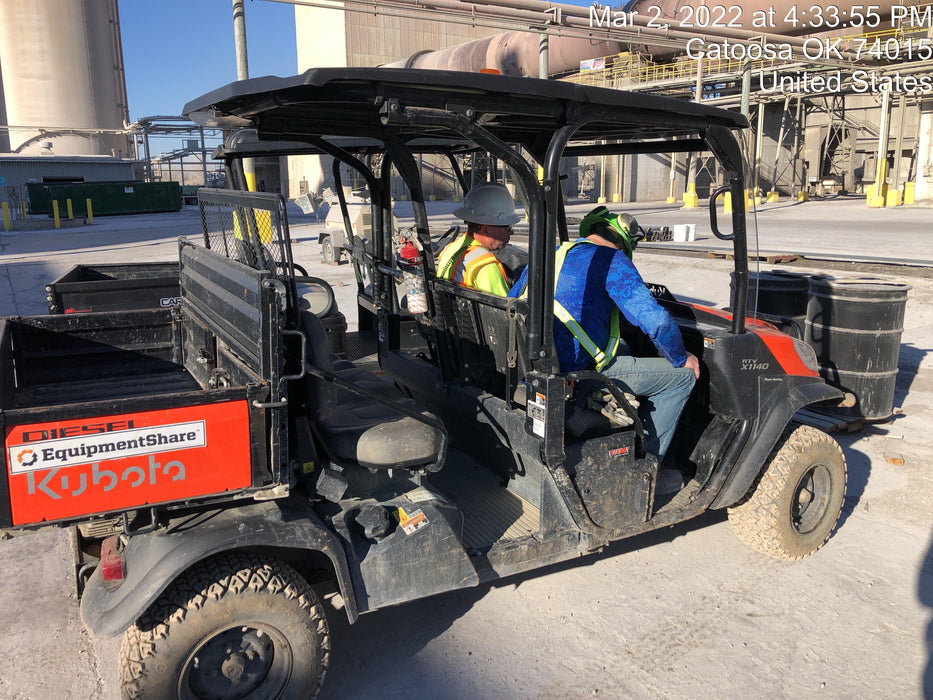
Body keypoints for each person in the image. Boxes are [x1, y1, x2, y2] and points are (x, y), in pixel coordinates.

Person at [509, 206, 699, 493]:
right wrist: (681, 357)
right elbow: (658, 323)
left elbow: (511, 303)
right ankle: (646, 472)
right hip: (577, 373)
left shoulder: (552, 255)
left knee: (623, 345)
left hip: (534, 364)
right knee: (682, 378)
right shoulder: (612, 260)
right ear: (624, 243)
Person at [436, 182, 521, 296]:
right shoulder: (486, 266)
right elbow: (507, 305)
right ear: (485, 229)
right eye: (507, 227)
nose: (511, 232)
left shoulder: (449, 248)